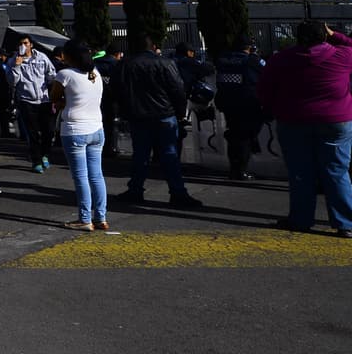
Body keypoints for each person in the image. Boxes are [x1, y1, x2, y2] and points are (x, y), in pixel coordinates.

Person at [257, 20, 352, 236]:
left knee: (300, 172)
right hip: (335, 120)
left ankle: (301, 219)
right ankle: (346, 223)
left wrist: (274, 110)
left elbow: (264, 89)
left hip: (294, 120)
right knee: (337, 171)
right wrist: (335, 34)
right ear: (325, 35)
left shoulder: (281, 59)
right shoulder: (343, 55)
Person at [113, 35, 202, 208]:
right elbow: (177, 89)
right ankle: (178, 193)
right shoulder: (165, 63)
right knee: (169, 154)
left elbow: (117, 90)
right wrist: (180, 113)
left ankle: (135, 190)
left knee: (140, 155)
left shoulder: (125, 65)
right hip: (164, 114)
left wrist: (126, 111)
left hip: (138, 115)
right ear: (153, 47)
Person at [50, 40, 107, 231]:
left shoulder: (64, 74)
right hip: (97, 128)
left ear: (70, 56)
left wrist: (64, 101)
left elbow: (54, 97)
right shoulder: (95, 73)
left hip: (75, 130)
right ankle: (100, 217)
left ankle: (84, 219)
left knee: (81, 177)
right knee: (97, 176)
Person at [214, 34, 266, 181]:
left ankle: (234, 168)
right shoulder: (252, 60)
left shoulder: (223, 59)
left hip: (227, 102)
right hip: (247, 103)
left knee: (234, 134)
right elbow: (267, 73)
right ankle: (240, 171)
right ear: (250, 47)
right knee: (245, 137)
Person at [8, 34, 56, 172]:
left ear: (31, 44)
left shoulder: (41, 57)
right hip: (26, 100)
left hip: (44, 100)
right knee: (33, 133)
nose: (23, 46)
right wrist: (16, 67)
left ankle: (45, 154)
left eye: (25, 43)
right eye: (20, 44)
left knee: (48, 131)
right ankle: (36, 161)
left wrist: (52, 86)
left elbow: (51, 74)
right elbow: (12, 82)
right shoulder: (14, 61)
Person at [94, 42, 125, 158]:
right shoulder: (118, 65)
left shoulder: (95, 63)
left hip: (97, 97)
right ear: (117, 54)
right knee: (113, 123)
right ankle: (112, 147)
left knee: (99, 122)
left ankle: (99, 146)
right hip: (113, 98)